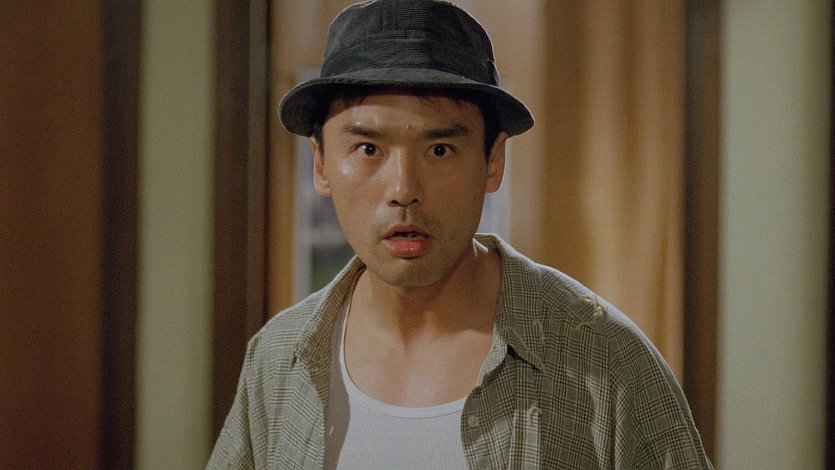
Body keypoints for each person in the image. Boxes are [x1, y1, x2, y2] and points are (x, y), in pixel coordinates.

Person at [207, 0, 713, 468]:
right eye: (368, 150)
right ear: (320, 164)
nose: (404, 189)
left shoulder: (601, 355)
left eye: (440, 150)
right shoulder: (279, 358)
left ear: (493, 161)